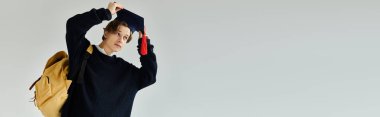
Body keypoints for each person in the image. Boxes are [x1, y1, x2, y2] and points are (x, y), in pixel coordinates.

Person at [60, 2, 157, 117]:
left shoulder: (126, 71)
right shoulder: (83, 53)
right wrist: (104, 13)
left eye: (125, 37)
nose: (121, 40)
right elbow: (73, 26)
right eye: (117, 33)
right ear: (106, 32)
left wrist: (144, 45)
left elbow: (149, 76)